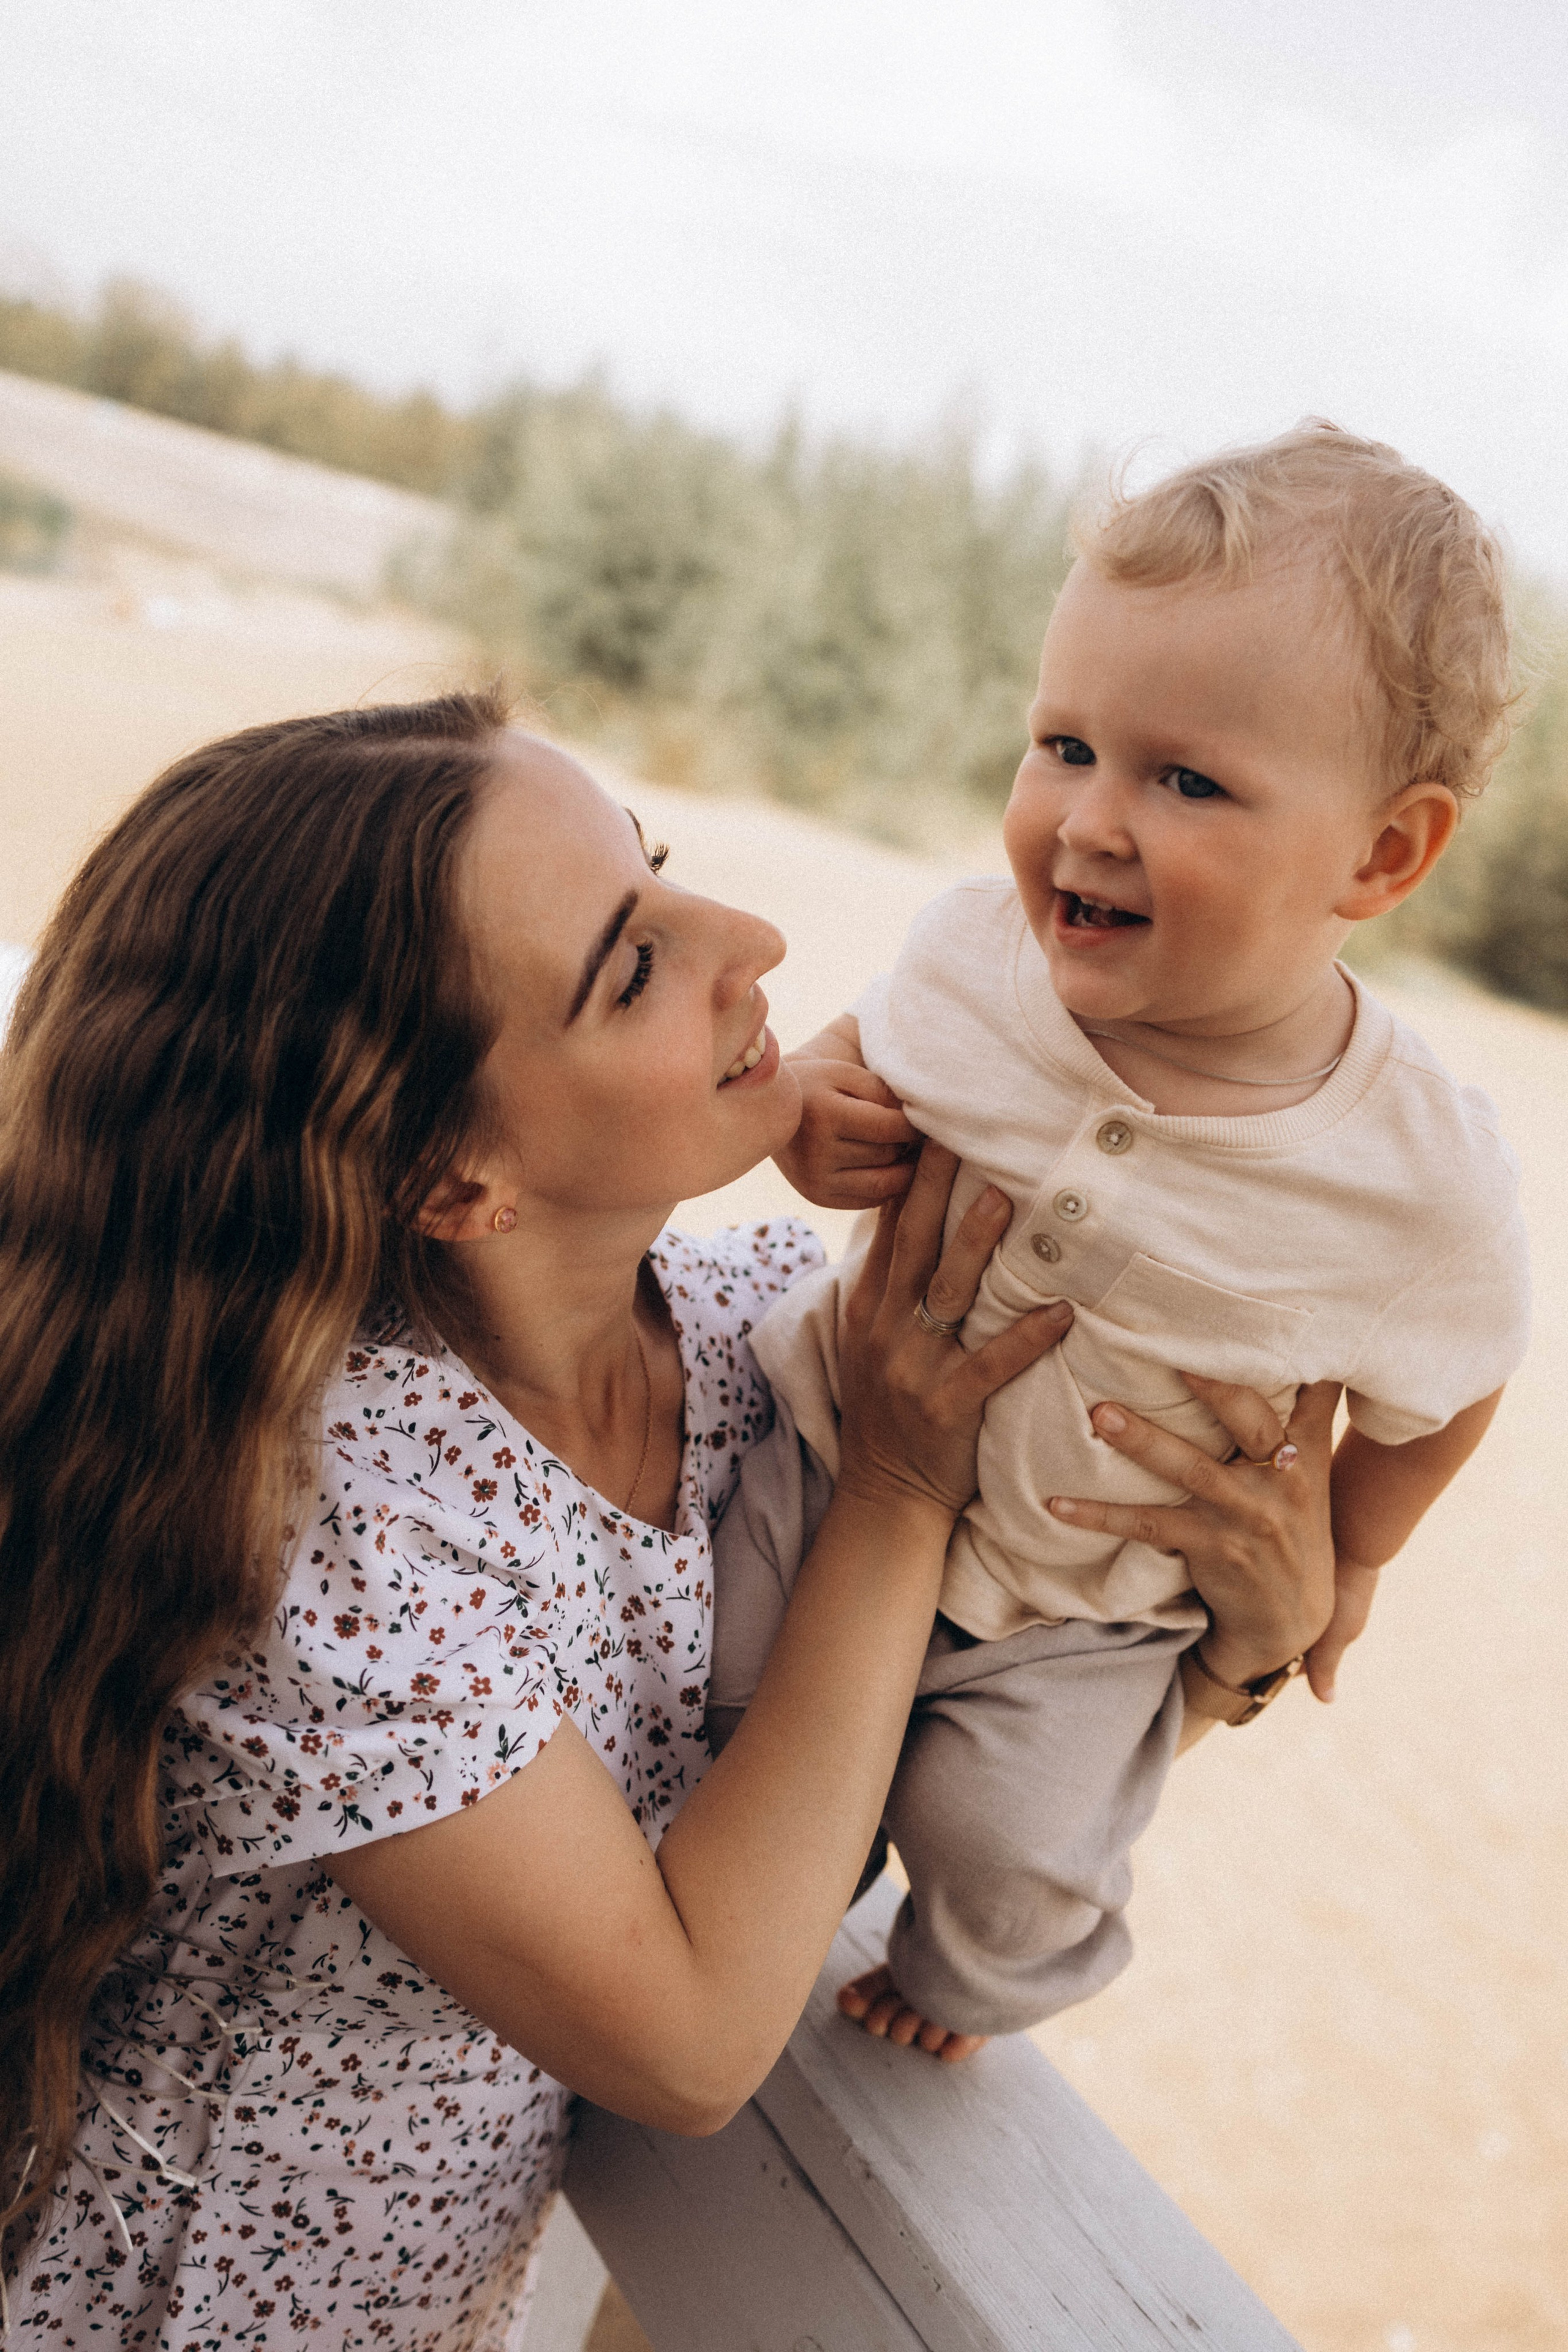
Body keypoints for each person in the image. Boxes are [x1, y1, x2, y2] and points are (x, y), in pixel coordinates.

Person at [0, 692, 1335, 2351]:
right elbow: (691, 2039)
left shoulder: (758, 1340)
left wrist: (1246, 1657)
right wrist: (907, 1485)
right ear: (450, 1178)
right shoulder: (332, 1529)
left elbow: (968, 1720)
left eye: (663, 866)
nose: (755, 938)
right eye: (631, 961)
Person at [709, 423, 1531, 2060]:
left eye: (1187, 780)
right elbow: (857, 1069)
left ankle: (975, 1984)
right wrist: (814, 1114)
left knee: (1009, 1850)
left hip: (1089, 1607)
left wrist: (1352, 1557)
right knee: (719, 1715)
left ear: (1383, 853)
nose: (1088, 821)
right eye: (1063, 743)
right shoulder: (974, 956)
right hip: (820, 1456)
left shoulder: (1413, 1177)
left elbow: (1456, 1380)